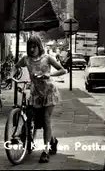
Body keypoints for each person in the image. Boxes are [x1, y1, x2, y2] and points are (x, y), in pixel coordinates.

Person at [13, 35, 67, 163]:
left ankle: (45, 151)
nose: (32, 50)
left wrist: (49, 74)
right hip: (36, 94)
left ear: (39, 47)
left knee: (46, 120)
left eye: (34, 47)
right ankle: (53, 140)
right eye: (30, 47)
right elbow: (16, 66)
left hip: (49, 93)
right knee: (39, 122)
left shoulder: (47, 58)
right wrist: (11, 76)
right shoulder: (26, 59)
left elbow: (63, 70)